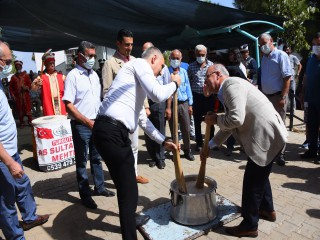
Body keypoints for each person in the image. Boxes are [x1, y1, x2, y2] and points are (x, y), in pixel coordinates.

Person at [92, 47, 180, 240]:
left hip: (109, 132)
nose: (160, 71)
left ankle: (130, 221)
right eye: (161, 66)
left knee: (127, 187)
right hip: (111, 131)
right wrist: (174, 84)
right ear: (154, 58)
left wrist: (163, 140)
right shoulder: (140, 64)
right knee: (129, 190)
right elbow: (158, 94)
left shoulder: (134, 87)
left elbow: (143, 120)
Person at [201, 64, 288, 238]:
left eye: (207, 77)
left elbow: (235, 119)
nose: (205, 82)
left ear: (217, 74)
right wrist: (210, 145)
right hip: (270, 138)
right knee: (260, 175)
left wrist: (215, 119)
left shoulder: (230, 85)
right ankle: (267, 210)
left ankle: (249, 225)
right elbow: (229, 127)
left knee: (252, 183)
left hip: (269, 139)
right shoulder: (229, 89)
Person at [0, 41, 49, 240]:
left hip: (10, 151)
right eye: (8, 62)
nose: (11, 66)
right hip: (4, 158)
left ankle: (29, 217)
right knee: (6, 200)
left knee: (22, 184)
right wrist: (10, 162)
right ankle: (15, 237)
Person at [63, 41, 115, 210]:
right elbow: (68, 104)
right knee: (81, 161)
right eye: (90, 56)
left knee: (96, 158)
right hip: (81, 125)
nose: (93, 58)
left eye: (94, 55)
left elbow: (98, 99)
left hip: (96, 123)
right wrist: (87, 122)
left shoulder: (94, 75)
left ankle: (99, 187)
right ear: (80, 56)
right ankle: (85, 194)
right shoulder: (73, 76)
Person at [102, 29, 149, 184]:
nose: (129, 47)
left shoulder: (135, 61)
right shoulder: (110, 63)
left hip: (135, 111)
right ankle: (122, 177)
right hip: (120, 114)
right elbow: (107, 91)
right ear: (118, 43)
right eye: (126, 44)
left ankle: (133, 175)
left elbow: (143, 85)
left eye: (131, 44)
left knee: (134, 145)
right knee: (122, 148)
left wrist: (146, 106)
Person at [259, 33, 292, 166]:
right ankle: (271, 151)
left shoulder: (281, 56)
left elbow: (287, 78)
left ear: (271, 41)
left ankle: (281, 154)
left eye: (264, 44)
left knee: (280, 125)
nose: (262, 47)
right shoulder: (264, 58)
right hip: (267, 97)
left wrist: (283, 97)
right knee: (268, 125)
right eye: (260, 45)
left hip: (278, 96)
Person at [142, 42, 170, 170]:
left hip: (159, 103)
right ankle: (152, 156)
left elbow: (168, 88)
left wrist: (168, 107)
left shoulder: (163, 68)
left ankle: (160, 158)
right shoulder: (140, 68)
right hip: (145, 103)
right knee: (148, 132)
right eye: (144, 51)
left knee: (159, 130)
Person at [167, 49, 194, 161]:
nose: (175, 60)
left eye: (177, 58)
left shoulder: (183, 71)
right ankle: (175, 151)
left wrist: (190, 104)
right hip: (172, 104)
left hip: (184, 104)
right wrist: (168, 108)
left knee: (186, 129)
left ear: (181, 59)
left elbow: (188, 87)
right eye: (173, 58)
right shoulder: (166, 72)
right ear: (169, 59)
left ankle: (187, 151)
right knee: (174, 130)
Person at [188, 44, 215, 151]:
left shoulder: (211, 66)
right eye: (199, 55)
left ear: (206, 54)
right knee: (197, 120)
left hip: (208, 97)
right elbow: (188, 83)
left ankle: (211, 141)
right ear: (195, 54)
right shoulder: (191, 67)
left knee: (211, 119)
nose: (201, 57)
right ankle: (199, 142)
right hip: (196, 97)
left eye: (203, 55)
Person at [300, 32, 320, 164]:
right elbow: (306, 78)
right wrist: (302, 95)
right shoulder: (311, 59)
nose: (315, 47)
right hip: (310, 100)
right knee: (311, 126)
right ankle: (312, 150)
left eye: (318, 44)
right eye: (313, 44)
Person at [31, 52, 67, 116]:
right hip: (48, 104)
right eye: (50, 63)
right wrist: (37, 84)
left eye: (53, 63)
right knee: (51, 123)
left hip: (60, 103)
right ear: (46, 65)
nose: (52, 65)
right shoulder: (41, 77)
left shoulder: (61, 76)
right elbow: (33, 89)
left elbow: (70, 86)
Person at [9, 60, 32, 127]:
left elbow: (30, 85)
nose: (18, 67)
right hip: (18, 97)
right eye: (17, 67)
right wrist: (13, 96)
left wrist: (26, 87)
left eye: (19, 66)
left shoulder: (26, 75)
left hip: (26, 96)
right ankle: (22, 122)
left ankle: (30, 121)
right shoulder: (13, 77)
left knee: (27, 108)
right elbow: (10, 88)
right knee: (20, 110)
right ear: (15, 68)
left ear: (21, 67)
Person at [283, 45, 302, 111]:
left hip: (292, 79)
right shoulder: (282, 57)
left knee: (292, 94)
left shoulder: (293, 57)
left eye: (288, 50)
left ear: (290, 50)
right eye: (285, 50)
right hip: (284, 79)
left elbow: (299, 65)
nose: (286, 51)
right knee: (285, 94)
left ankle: (293, 108)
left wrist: (298, 73)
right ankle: (287, 108)